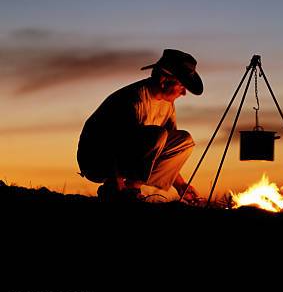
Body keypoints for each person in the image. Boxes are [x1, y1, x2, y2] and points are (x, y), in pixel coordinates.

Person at [77, 49, 203, 203]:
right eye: (182, 86)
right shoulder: (133, 100)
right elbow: (112, 142)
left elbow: (167, 150)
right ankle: (127, 190)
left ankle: (131, 186)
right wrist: (116, 181)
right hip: (97, 159)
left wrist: (181, 185)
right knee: (158, 135)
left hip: (128, 161)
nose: (183, 93)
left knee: (184, 141)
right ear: (164, 81)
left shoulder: (168, 105)